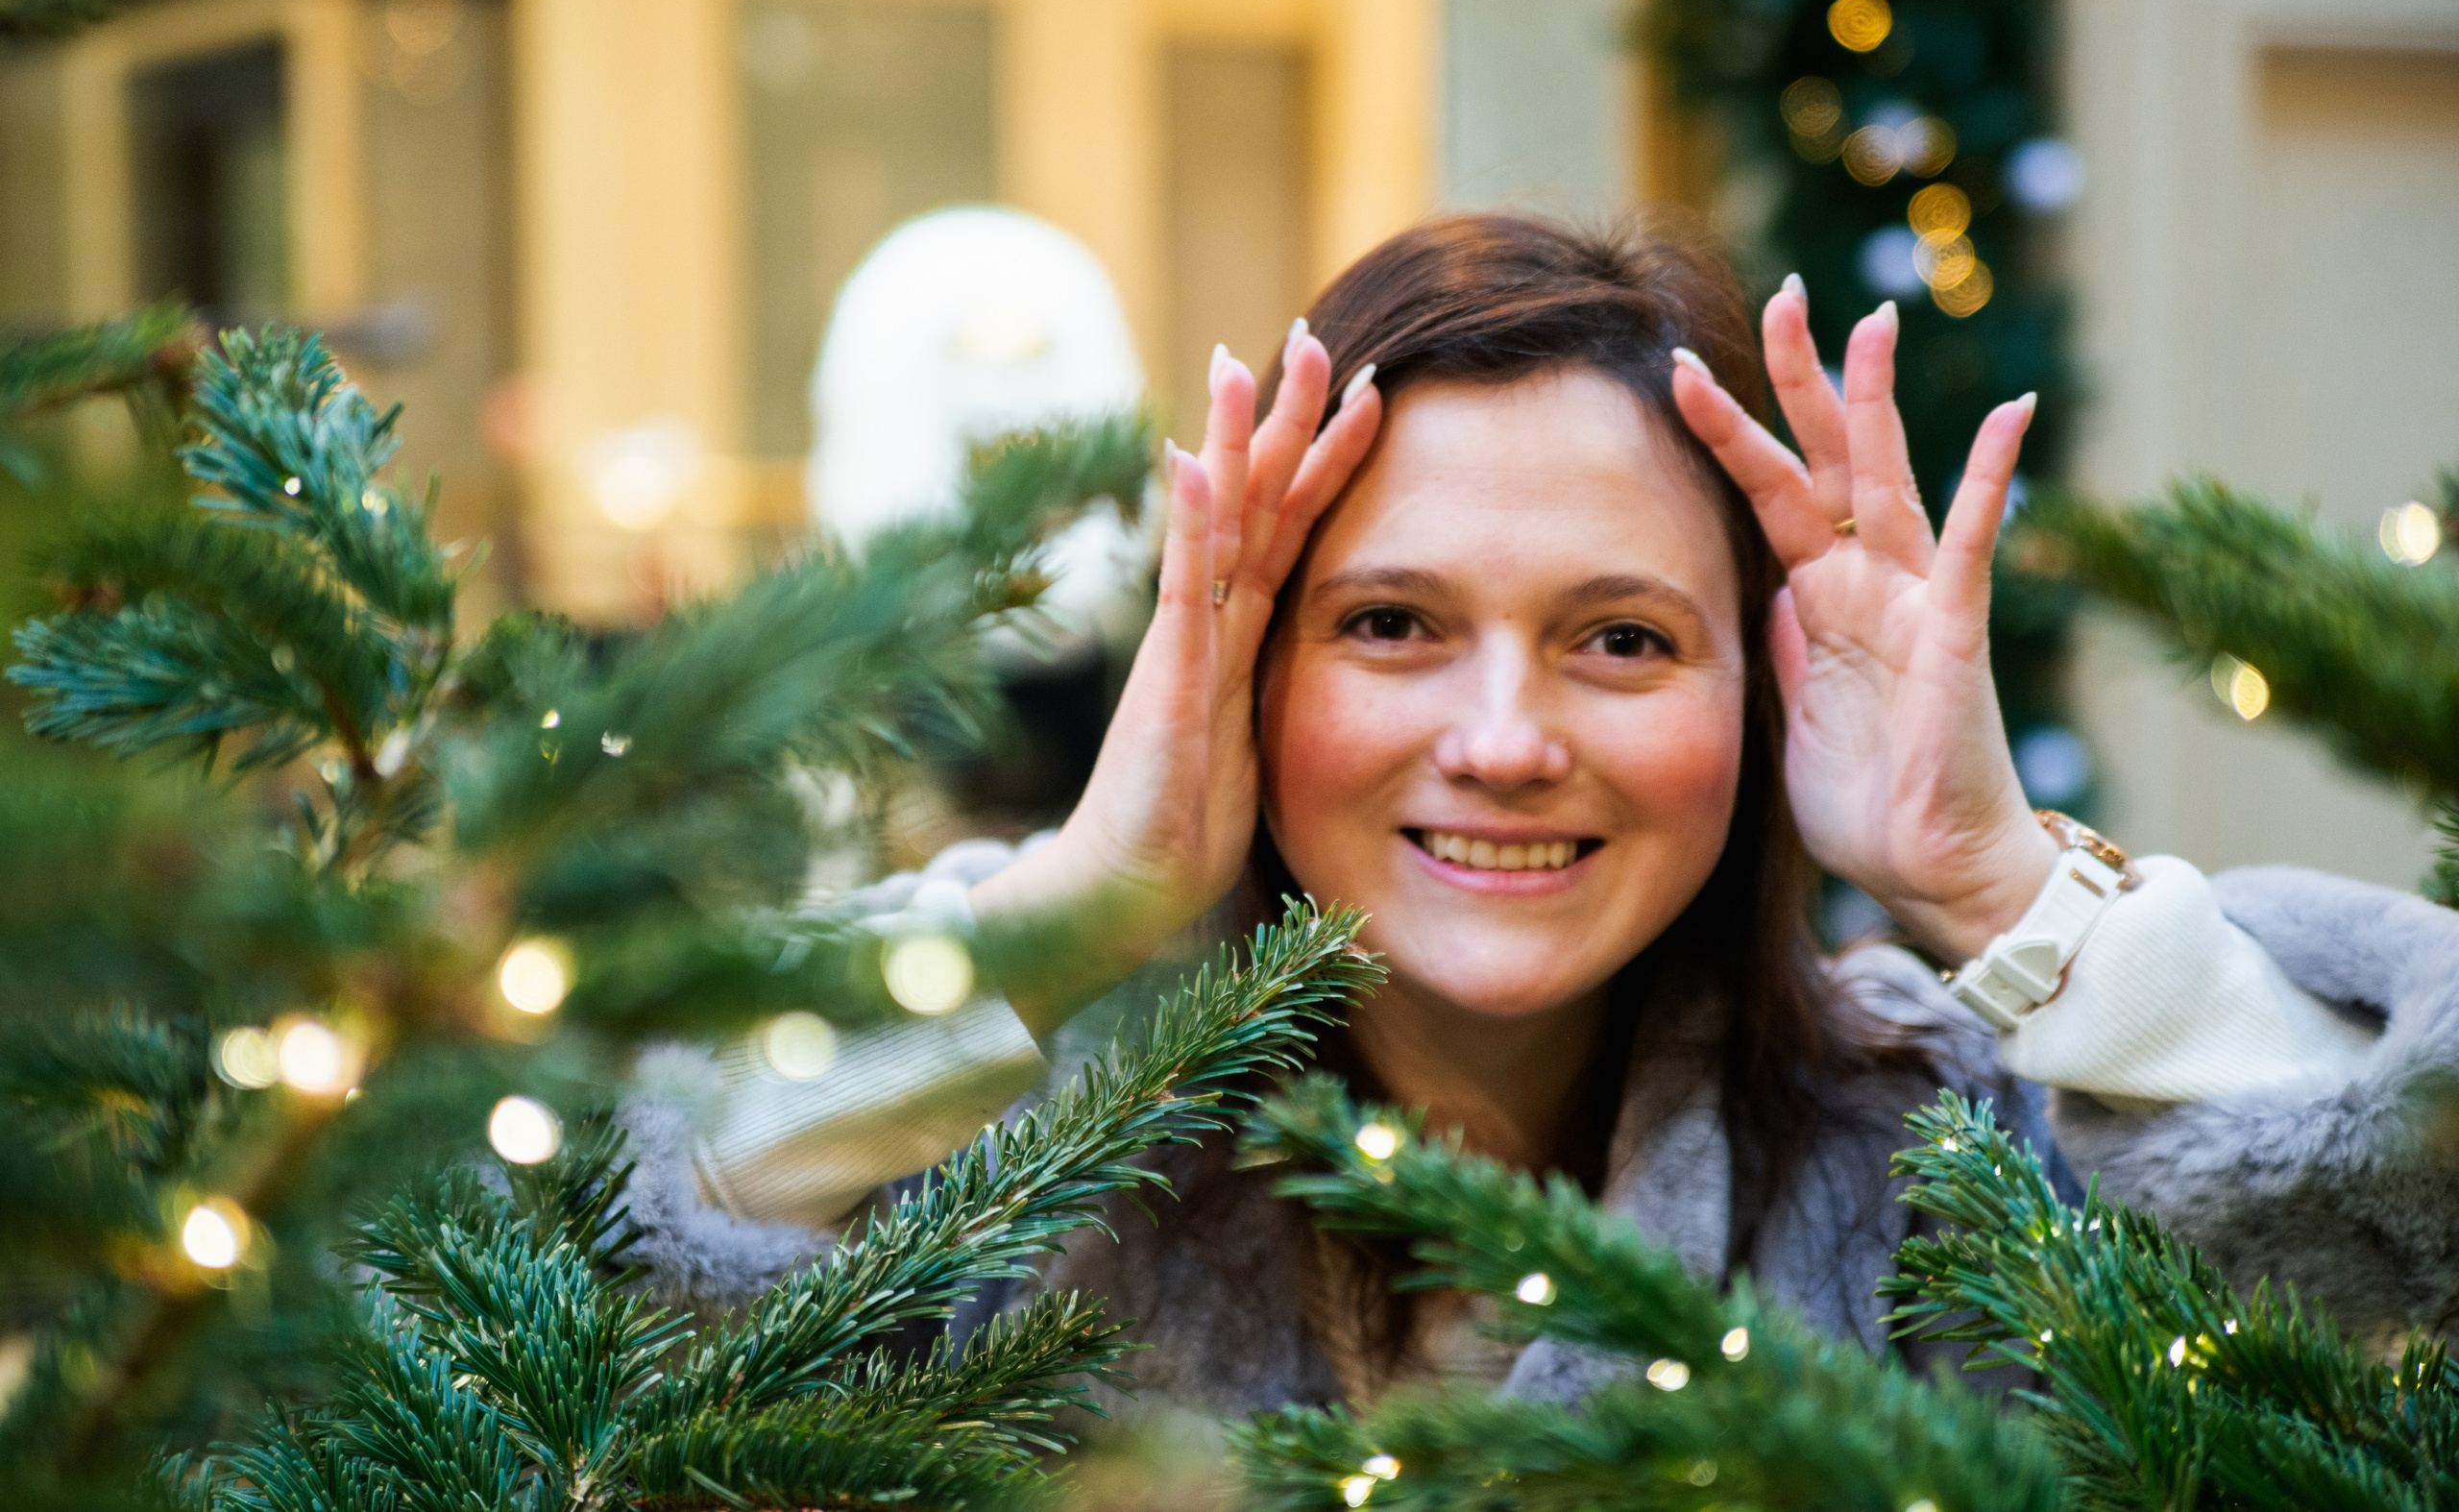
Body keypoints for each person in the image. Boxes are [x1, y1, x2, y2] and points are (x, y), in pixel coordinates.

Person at [627, 213, 2459, 1410]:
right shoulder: (995, 1153)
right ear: (1257, 666)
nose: (1504, 737)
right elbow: (589, 1252)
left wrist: (2001, 888)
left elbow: (2402, 1243)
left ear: (1764, 690)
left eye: (1620, 636)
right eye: (1394, 624)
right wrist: (1076, 908)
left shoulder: (1955, 1173)